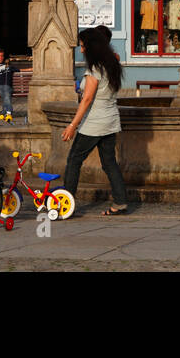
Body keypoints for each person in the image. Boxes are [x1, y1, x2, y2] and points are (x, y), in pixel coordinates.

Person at [61, 25, 128, 216]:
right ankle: (121, 202)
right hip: (110, 119)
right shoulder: (111, 64)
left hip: (94, 122)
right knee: (109, 162)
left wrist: (73, 125)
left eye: (82, 46)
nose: (81, 50)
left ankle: (66, 203)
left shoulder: (94, 68)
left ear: (91, 47)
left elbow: (87, 99)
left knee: (74, 159)